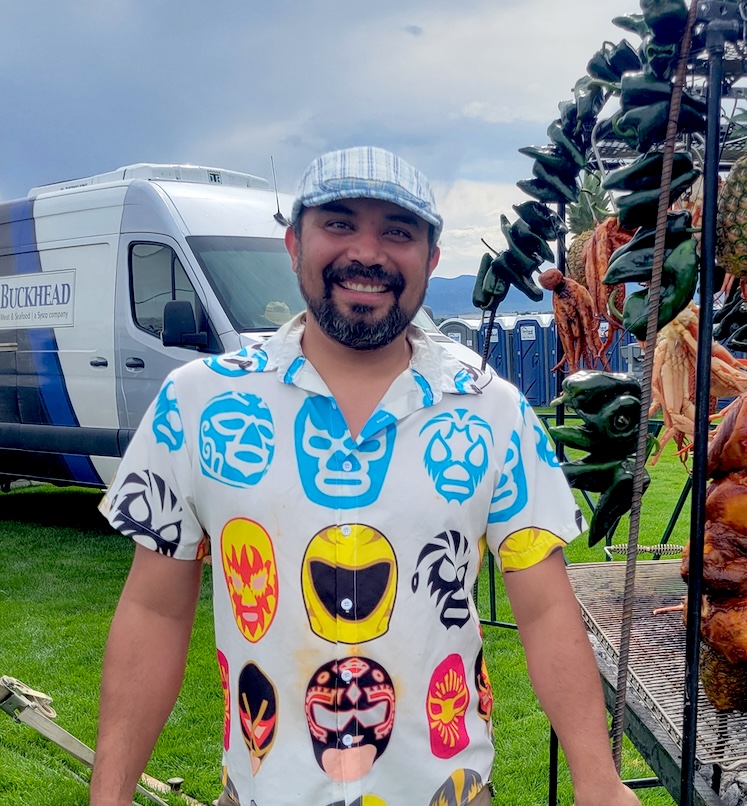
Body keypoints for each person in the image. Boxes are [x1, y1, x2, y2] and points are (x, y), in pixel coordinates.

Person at [90, 146, 641, 806]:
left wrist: (598, 780)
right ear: (294, 245)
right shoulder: (199, 403)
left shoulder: (491, 410)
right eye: (340, 224)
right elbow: (153, 608)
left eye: (398, 232)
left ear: (431, 260)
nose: (369, 253)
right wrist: (110, 794)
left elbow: (547, 607)